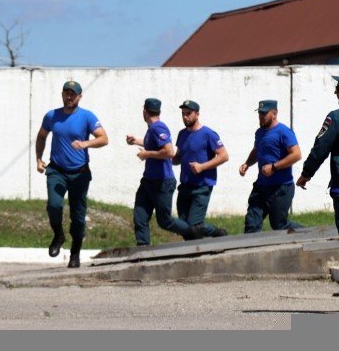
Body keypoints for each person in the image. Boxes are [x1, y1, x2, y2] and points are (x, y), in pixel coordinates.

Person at [35, 79, 108, 268]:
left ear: (79, 97)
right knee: (54, 205)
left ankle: (75, 252)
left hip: (79, 173)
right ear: (62, 95)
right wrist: (38, 159)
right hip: (56, 170)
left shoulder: (87, 117)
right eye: (66, 93)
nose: (69, 96)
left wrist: (85, 143)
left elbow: (103, 138)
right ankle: (58, 235)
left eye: (73, 94)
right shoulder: (52, 116)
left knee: (78, 216)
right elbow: (42, 136)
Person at [126, 98, 203, 246]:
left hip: (162, 183)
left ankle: (194, 231)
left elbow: (169, 151)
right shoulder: (153, 128)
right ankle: (143, 249)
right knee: (140, 216)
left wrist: (146, 154)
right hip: (148, 181)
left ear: (144, 112)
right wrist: (136, 141)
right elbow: (154, 144)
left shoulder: (158, 128)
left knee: (165, 221)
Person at [239, 100, 303, 233]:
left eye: (264, 114)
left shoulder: (284, 132)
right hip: (261, 187)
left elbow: (296, 155)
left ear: (274, 113)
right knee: (251, 224)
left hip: (281, 188)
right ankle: (250, 251)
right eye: (260, 114)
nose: (261, 117)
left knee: (279, 226)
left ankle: (309, 233)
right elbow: (257, 150)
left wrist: (274, 167)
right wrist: (247, 164)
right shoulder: (259, 132)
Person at [172, 100, 229, 238]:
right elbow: (178, 157)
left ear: (197, 114)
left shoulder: (208, 134)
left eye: (189, 114)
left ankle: (209, 238)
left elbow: (224, 156)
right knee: (184, 226)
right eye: (183, 114)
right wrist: (167, 158)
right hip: (185, 185)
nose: (185, 117)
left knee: (194, 226)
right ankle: (214, 234)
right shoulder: (182, 134)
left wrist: (202, 167)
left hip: (202, 187)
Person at [297, 76, 339, 234]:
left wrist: (306, 173)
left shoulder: (335, 118)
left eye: (338, 88)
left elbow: (320, 149)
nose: (335, 92)